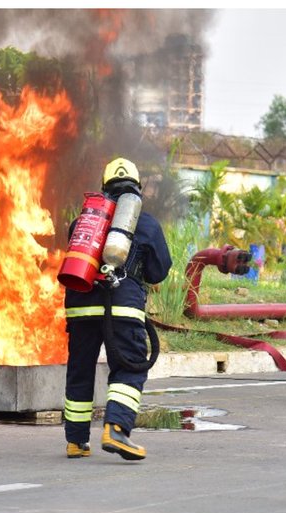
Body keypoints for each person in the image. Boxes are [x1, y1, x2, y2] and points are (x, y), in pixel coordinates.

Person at [63, 157, 172, 461]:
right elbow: (158, 271)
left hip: (80, 305)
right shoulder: (146, 223)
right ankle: (116, 429)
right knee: (130, 365)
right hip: (122, 306)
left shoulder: (82, 222)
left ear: (104, 189)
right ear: (137, 190)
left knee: (80, 368)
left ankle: (76, 441)